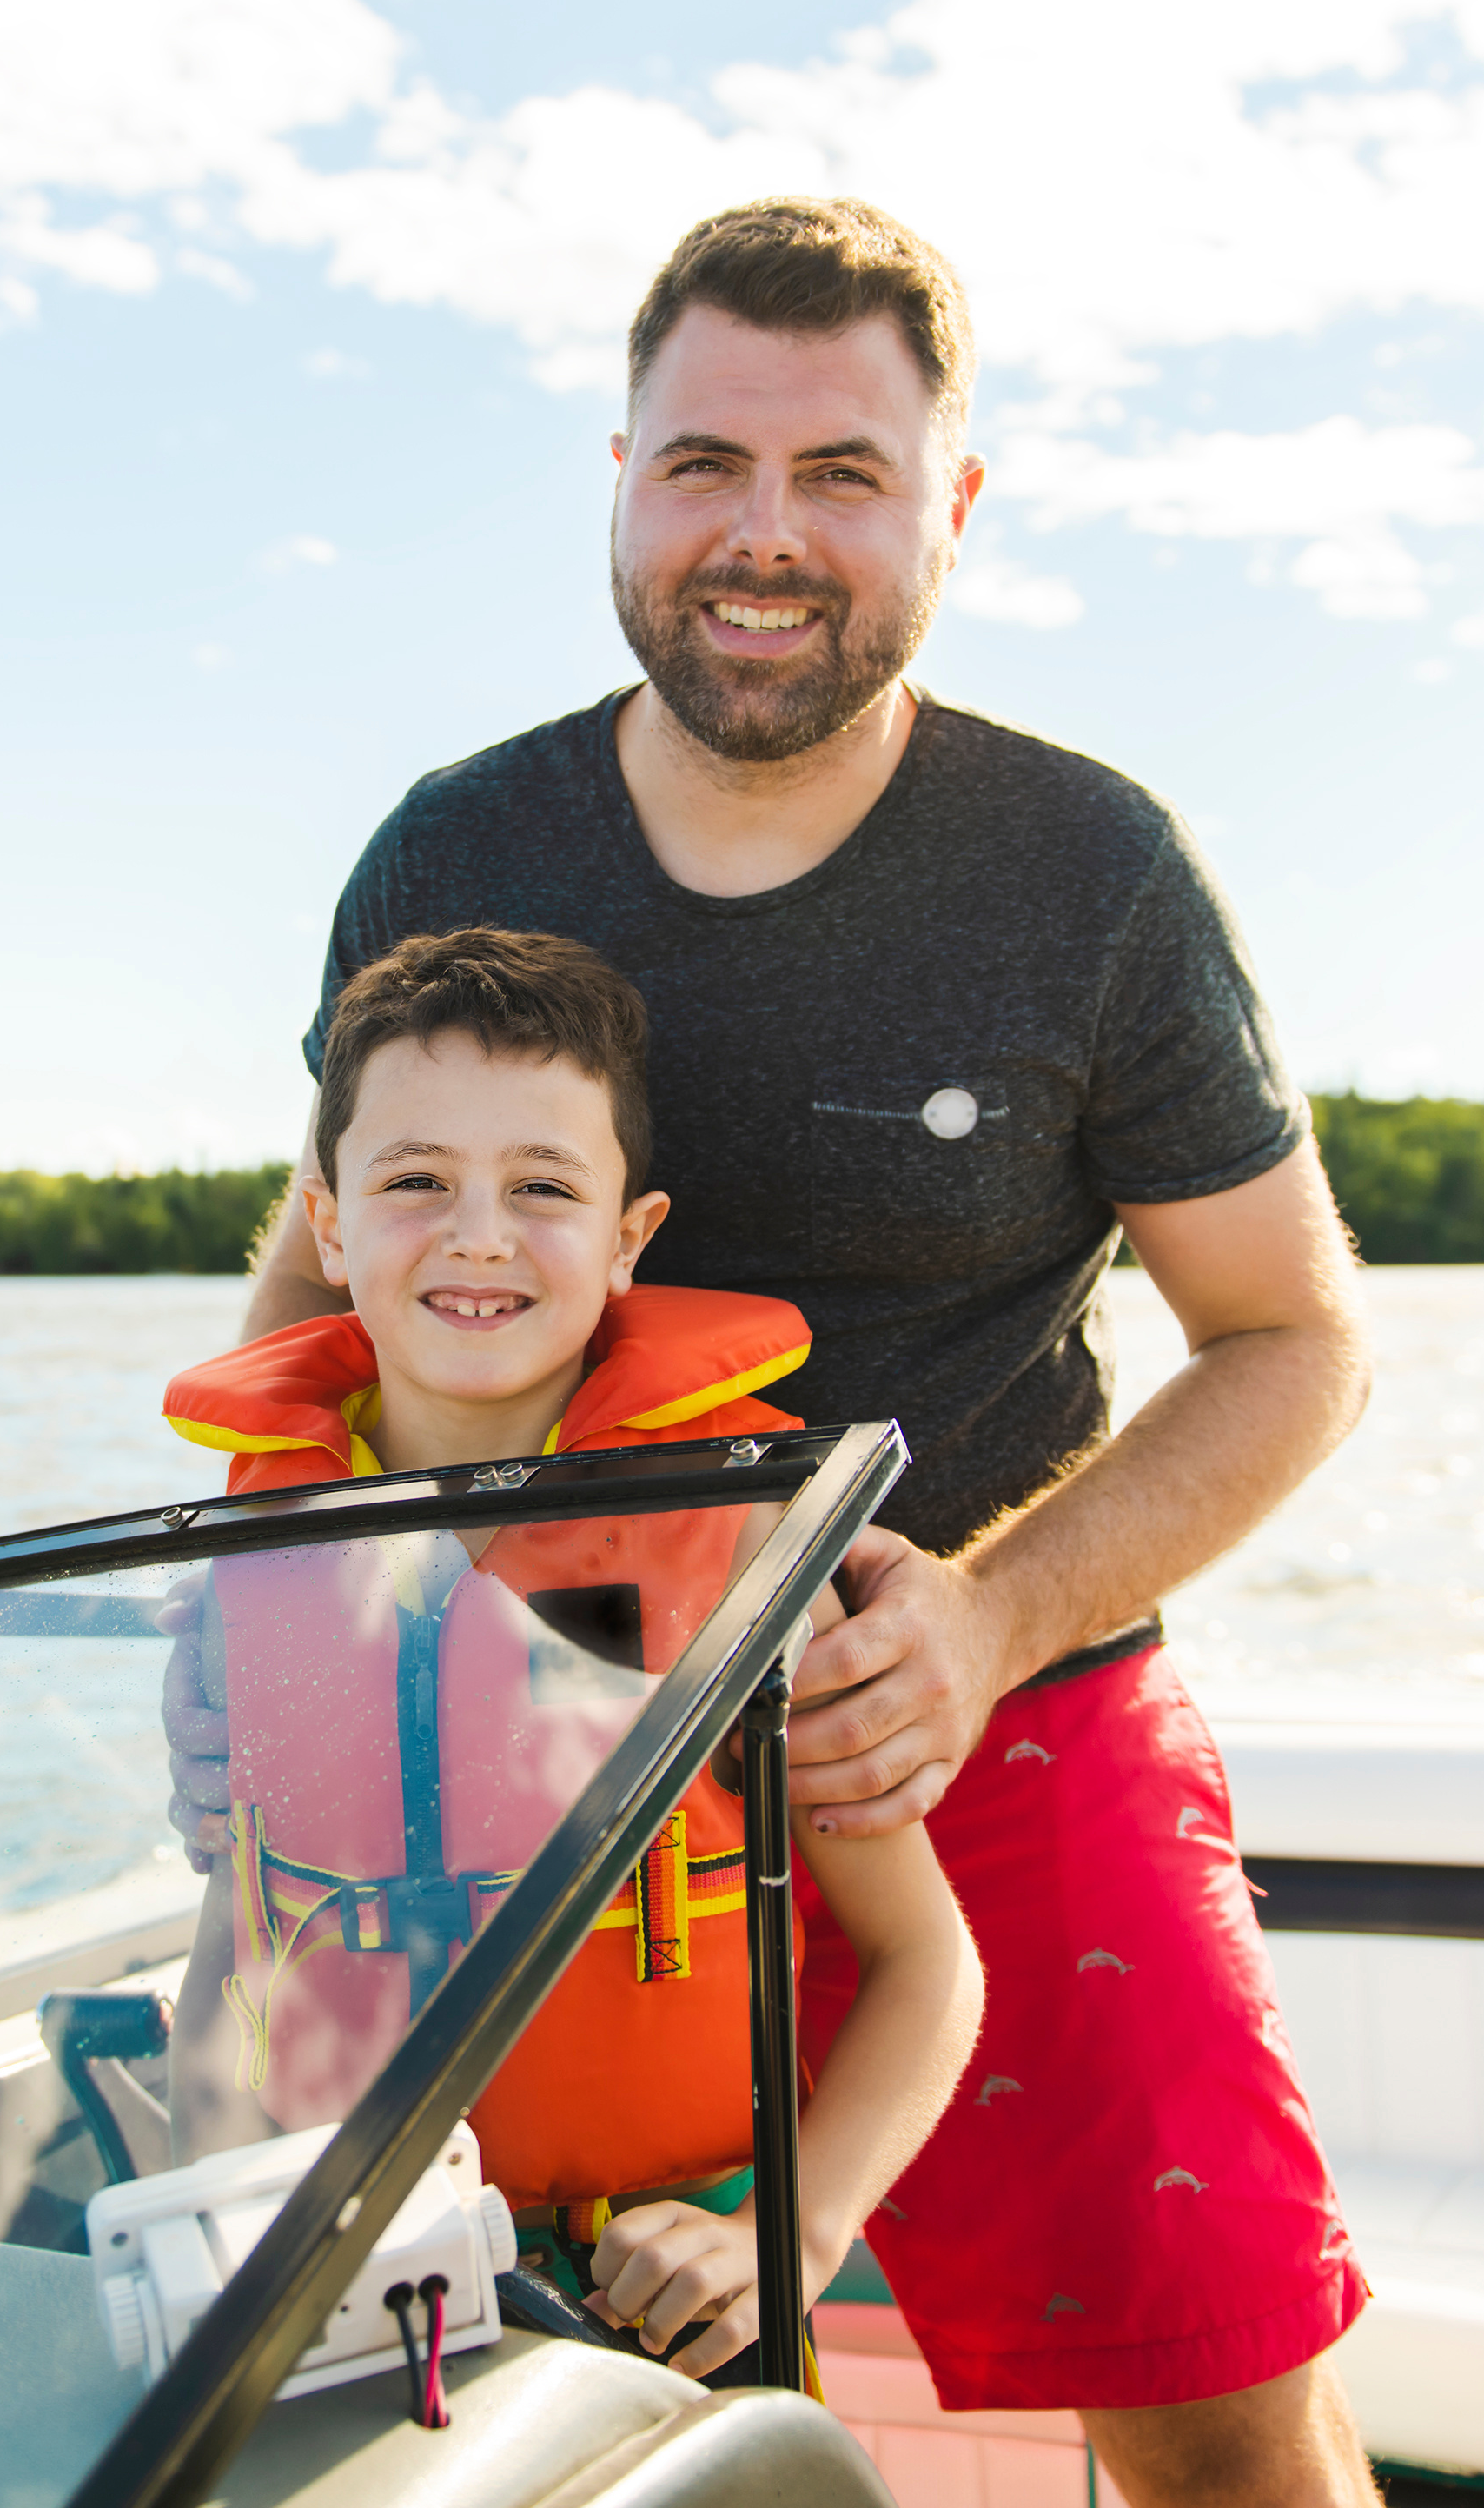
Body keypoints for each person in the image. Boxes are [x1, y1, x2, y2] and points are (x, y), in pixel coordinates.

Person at [167, 200, 1381, 2507]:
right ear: (618, 475)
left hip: (994, 1717)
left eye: (840, 473)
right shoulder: (452, 846)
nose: (761, 536)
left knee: (1227, 2422)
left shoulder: (1090, 872)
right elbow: (333, 1246)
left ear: (950, 506)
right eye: (704, 463)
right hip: (541, 1771)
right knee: (536, 2420)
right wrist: (244, 1667)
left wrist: (987, 1613)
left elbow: (1290, 1337)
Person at [156, 926, 981, 2383]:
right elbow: (244, 1932)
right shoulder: (264, 1552)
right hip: (344, 2283)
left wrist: (789, 2239)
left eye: (542, 1188)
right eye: (415, 1181)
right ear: (328, 1225)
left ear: (629, 1237)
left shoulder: (734, 1551)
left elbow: (931, 1963)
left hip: (665, 2296)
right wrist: (208, 2217)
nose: (479, 1233)